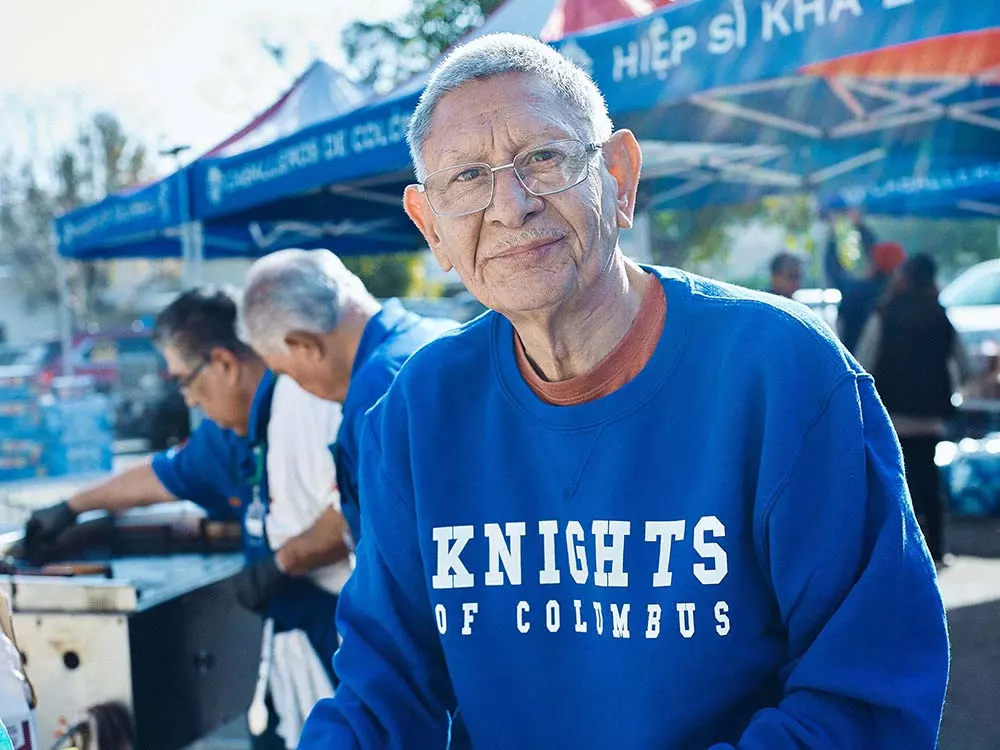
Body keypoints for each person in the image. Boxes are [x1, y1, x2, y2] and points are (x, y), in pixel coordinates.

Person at [299, 33, 948, 749]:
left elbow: (866, 702)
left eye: (543, 158)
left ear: (619, 175)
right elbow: (379, 698)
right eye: (469, 178)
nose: (511, 205)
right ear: (432, 230)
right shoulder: (419, 410)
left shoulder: (784, 374)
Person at [23, 286, 350, 750]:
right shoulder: (231, 434)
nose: (188, 401)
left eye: (184, 380)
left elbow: (356, 511)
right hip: (288, 655)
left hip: (346, 641)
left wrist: (283, 564)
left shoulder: (314, 402)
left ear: (224, 363)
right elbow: (158, 477)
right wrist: (72, 507)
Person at [240, 249, 458, 546]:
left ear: (304, 345)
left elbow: (390, 556)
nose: (299, 386)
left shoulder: (374, 400)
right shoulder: (440, 335)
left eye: (286, 373)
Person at [856, 254, 970, 566]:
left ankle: (900, 551)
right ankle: (937, 548)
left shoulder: (886, 311)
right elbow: (963, 364)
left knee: (896, 484)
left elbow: (863, 358)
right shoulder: (940, 314)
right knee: (930, 483)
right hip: (931, 418)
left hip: (894, 416)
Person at [824, 216, 907, 353]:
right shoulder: (898, 298)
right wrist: (860, 226)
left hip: (857, 362)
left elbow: (834, 271)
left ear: (874, 265)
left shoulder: (859, 292)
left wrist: (832, 237)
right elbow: (876, 251)